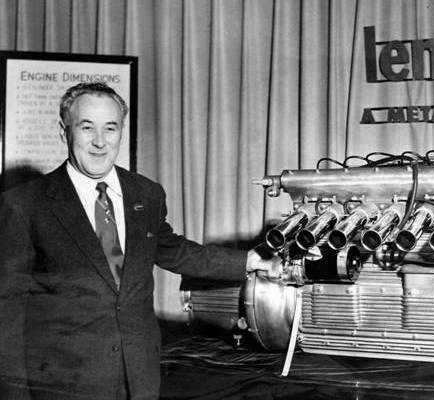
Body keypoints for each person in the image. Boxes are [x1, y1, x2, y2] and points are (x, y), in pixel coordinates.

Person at [0, 82, 251, 399]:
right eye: (87, 127)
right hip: (63, 384)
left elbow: (173, 250)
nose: (100, 142)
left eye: (110, 128)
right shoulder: (24, 205)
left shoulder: (146, 193)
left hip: (139, 377)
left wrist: (251, 263)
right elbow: (6, 315)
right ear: (64, 132)